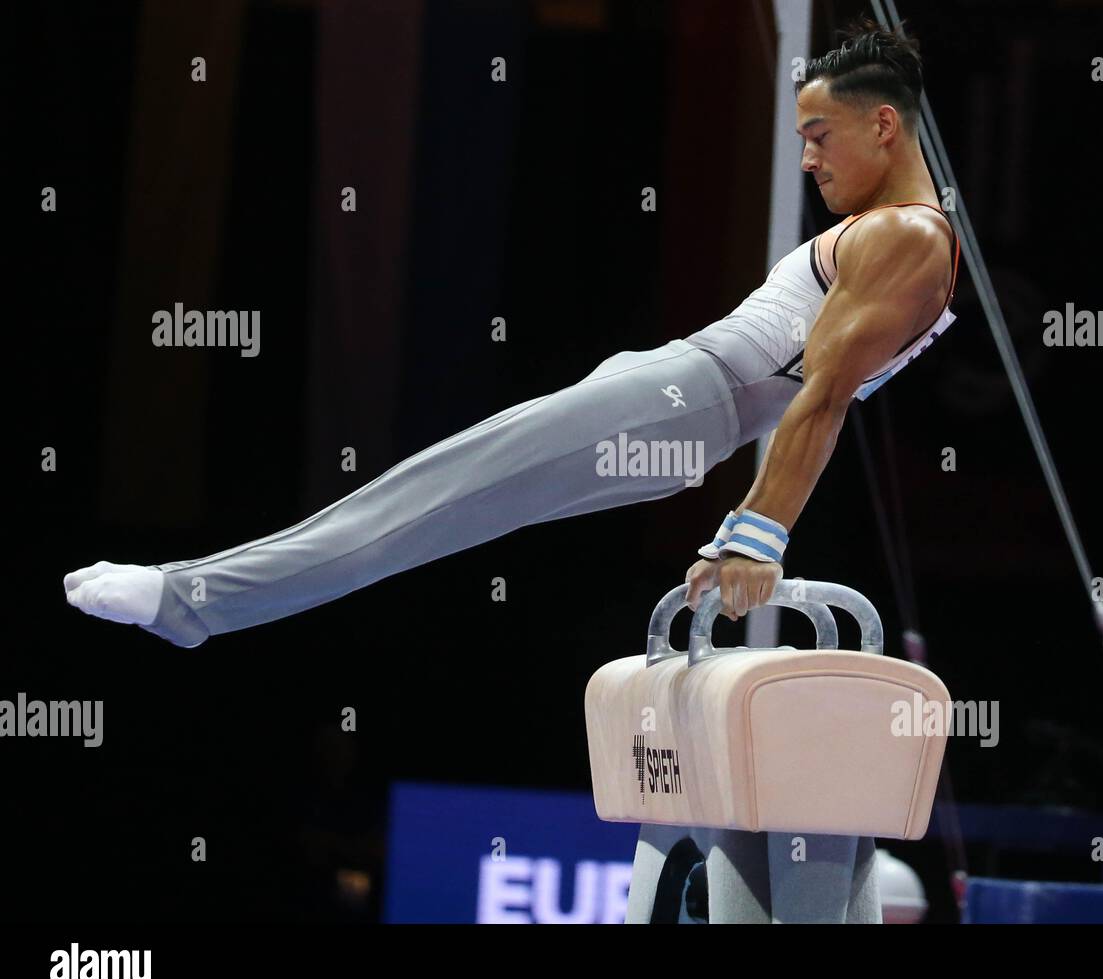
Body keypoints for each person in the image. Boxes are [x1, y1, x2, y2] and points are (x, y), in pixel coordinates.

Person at [65, 18, 960, 650]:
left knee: (432, 495)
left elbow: (825, 395)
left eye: (819, 135)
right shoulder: (907, 238)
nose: (807, 157)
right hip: (683, 406)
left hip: (687, 400)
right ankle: (197, 601)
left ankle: (190, 600)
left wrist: (756, 537)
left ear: (883, 124)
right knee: (448, 506)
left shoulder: (906, 237)